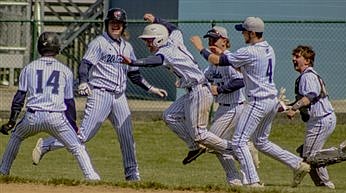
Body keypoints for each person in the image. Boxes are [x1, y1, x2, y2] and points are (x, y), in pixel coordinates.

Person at [31, 8, 167, 181]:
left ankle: (132, 175)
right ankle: (47, 144)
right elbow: (85, 64)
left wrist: (151, 89)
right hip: (100, 93)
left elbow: (134, 74)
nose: (115, 26)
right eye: (112, 23)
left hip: (119, 97)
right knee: (84, 135)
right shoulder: (99, 43)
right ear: (107, 24)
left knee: (127, 136)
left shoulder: (128, 47)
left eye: (118, 23)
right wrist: (83, 81)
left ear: (123, 26)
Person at [120, 13, 246, 185]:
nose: (147, 43)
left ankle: (239, 150)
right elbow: (174, 28)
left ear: (158, 39)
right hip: (193, 91)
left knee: (200, 134)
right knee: (169, 116)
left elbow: (154, 61)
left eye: (149, 40)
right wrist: (157, 20)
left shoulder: (165, 51)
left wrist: (134, 63)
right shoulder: (174, 39)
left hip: (200, 91)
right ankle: (195, 147)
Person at [190, 16, 310, 187]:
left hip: (257, 102)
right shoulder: (268, 48)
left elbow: (216, 61)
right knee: (261, 141)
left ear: (252, 33)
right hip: (270, 101)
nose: (243, 34)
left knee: (238, 141)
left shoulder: (250, 51)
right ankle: (297, 164)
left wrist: (200, 48)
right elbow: (243, 66)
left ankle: (253, 182)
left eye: (244, 31)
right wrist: (222, 53)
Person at [0, 32, 100, 180]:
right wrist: (73, 125)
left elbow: (19, 97)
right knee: (77, 147)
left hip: (32, 117)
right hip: (56, 118)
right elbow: (69, 103)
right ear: (58, 48)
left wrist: (11, 122)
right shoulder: (65, 70)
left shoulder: (29, 68)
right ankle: (92, 177)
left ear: (39, 48)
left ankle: (3, 171)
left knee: (16, 136)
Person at [201, 26, 260, 184]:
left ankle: (242, 154)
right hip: (224, 107)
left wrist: (219, 89)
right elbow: (203, 78)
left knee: (210, 141)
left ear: (225, 42)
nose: (211, 42)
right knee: (216, 145)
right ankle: (234, 179)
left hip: (234, 106)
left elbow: (240, 80)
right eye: (209, 39)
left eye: (215, 39)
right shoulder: (213, 62)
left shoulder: (229, 58)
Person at [286, 45, 340, 189]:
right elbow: (305, 99)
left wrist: (294, 108)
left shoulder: (308, 76)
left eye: (298, 56)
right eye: (294, 56)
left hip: (321, 120)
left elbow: (311, 95)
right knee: (306, 154)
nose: (293, 59)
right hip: (322, 119)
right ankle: (322, 185)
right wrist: (286, 106)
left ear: (307, 60)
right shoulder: (307, 75)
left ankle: (340, 152)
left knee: (310, 156)